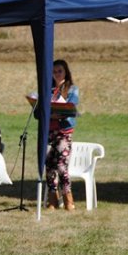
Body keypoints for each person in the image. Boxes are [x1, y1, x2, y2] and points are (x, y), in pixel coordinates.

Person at [45, 59, 79, 211]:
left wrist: (56, 113)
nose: (57, 74)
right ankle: (53, 200)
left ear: (66, 72)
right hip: (49, 132)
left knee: (61, 166)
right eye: (54, 71)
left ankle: (68, 198)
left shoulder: (72, 89)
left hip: (63, 133)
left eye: (60, 71)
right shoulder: (47, 89)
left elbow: (70, 109)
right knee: (49, 166)